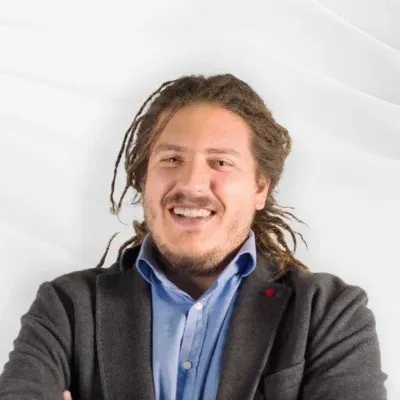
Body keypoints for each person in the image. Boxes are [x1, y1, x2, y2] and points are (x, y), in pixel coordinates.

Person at [0, 73, 388, 400]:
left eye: (220, 162)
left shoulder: (329, 314)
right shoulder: (67, 308)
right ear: (144, 179)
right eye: (172, 159)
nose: (192, 184)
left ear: (260, 188)